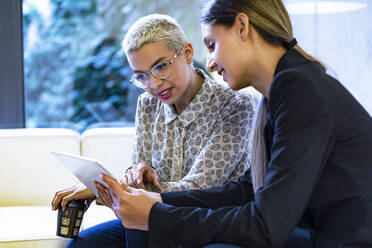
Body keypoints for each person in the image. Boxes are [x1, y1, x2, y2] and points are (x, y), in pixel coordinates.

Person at [95, 0, 372, 248]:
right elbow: (247, 189)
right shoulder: (280, 92)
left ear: (242, 27)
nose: (211, 64)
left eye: (212, 45)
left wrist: (157, 215)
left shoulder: (298, 88)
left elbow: (266, 227)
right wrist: (161, 202)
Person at [51, 14, 256, 248]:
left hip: (207, 224)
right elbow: (139, 173)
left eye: (160, 66)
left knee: (141, 227)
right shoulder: (147, 105)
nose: (154, 84)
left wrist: (104, 189)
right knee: (84, 244)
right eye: (141, 76)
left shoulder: (236, 105)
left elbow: (200, 188)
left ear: (188, 53)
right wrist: (131, 177)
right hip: (153, 218)